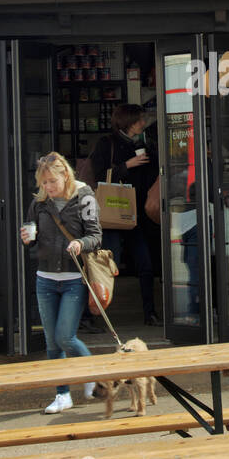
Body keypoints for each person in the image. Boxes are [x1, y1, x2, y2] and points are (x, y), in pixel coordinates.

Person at [21, 151, 101, 414]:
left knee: (64, 337)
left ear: (65, 175)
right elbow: (32, 230)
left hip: (73, 279)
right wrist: (27, 237)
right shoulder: (39, 203)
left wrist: (80, 243)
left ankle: (91, 374)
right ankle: (62, 394)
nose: (48, 188)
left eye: (52, 182)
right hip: (45, 278)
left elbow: (95, 236)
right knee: (52, 343)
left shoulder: (84, 197)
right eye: (43, 183)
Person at [88, 105, 159, 326]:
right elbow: (98, 175)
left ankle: (150, 314)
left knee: (146, 265)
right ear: (128, 122)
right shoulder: (106, 144)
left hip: (136, 215)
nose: (143, 122)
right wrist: (127, 165)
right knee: (109, 265)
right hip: (112, 214)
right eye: (139, 119)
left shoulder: (144, 145)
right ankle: (93, 315)